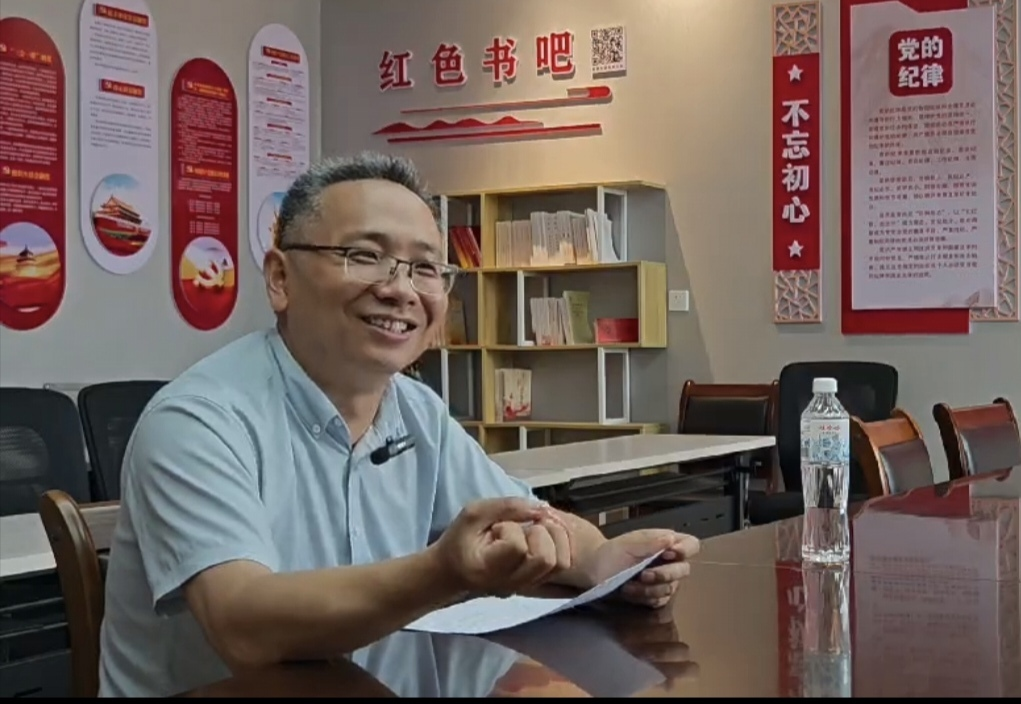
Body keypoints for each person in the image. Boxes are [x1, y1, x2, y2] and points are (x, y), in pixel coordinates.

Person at [98, 152, 701, 698]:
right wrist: (441, 572)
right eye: (365, 256)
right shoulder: (199, 420)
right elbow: (243, 626)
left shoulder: (416, 410)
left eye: (426, 267)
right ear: (280, 278)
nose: (400, 290)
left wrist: (603, 562)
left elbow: (529, 521)